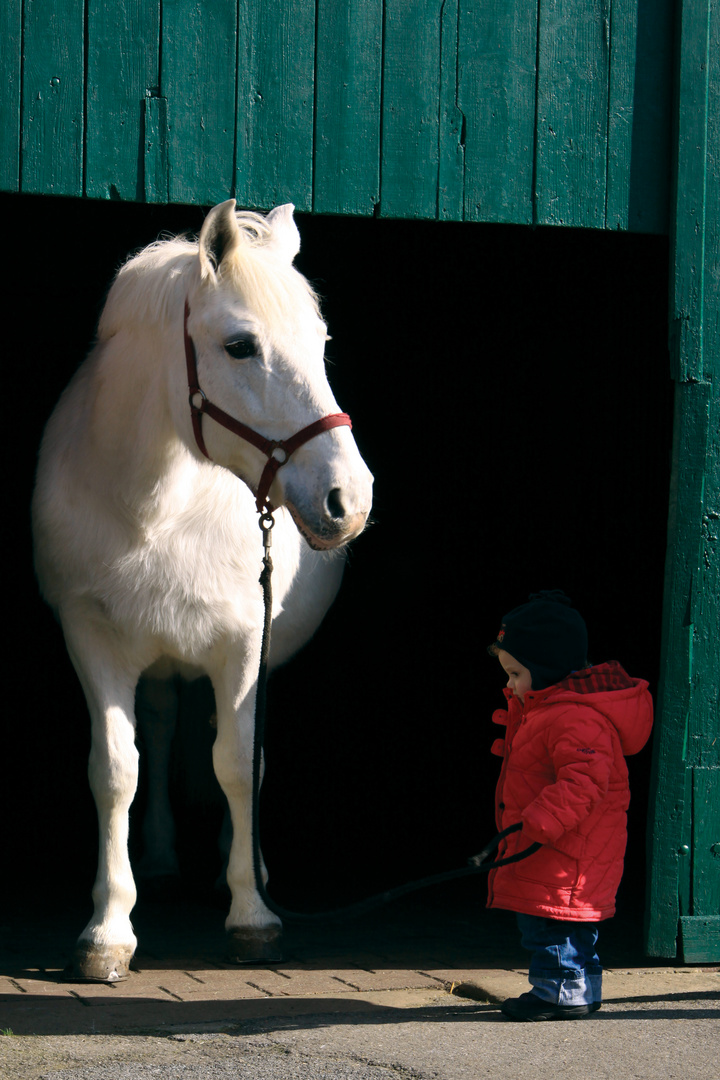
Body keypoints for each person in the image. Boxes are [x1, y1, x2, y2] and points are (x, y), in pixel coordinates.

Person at [486, 590, 653, 1021]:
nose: (509, 684)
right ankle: (580, 987)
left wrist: (539, 822)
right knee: (562, 925)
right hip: (558, 848)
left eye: (516, 673)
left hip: (563, 850)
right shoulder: (551, 710)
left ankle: (560, 993)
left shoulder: (574, 716)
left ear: (545, 668)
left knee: (554, 926)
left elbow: (583, 781)